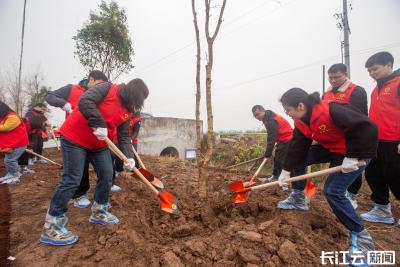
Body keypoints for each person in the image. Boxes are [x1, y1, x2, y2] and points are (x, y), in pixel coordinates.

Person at [39, 78, 149, 246]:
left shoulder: (128, 110)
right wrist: (99, 122)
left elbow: (124, 136)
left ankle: (99, 210)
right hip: (75, 137)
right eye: (135, 101)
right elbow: (85, 101)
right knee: (72, 178)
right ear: (130, 93)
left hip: (99, 144)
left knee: (107, 174)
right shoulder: (108, 89)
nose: (135, 106)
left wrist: (129, 158)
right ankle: (52, 225)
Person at [278, 88, 378, 263]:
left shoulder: (332, 110)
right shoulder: (301, 121)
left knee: (333, 191)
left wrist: (354, 155)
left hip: (356, 152)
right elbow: (297, 147)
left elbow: (367, 128)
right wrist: (286, 170)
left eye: (288, 110)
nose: (287, 114)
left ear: (300, 105)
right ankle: (298, 197)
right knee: (297, 160)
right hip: (333, 149)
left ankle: (362, 239)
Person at [45, 70, 108, 208]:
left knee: (104, 168)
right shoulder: (72, 89)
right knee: (80, 168)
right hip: (74, 137)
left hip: (95, 138)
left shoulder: (103, 94)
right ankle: (79, 194)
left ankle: (102, 194)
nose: (101, 88)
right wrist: (64, 104)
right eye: (98, 84)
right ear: (91, 80)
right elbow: (49, 96)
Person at [360, 52, 400, 225]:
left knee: (396, 176)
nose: (371, 73)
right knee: (373, 173)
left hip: (394, 141)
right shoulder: (376, 89)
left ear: (389, 65)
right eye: (369, 71)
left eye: (374, 69)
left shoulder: (398, 83)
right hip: (376, 141)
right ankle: (382, 209)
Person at [323, 63, 368, 209]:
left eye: (337, 77)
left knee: (352, 168)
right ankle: (340, 194)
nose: (333, 80)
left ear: (345, 74)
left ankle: (352, 196)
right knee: (337, 168)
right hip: (335, 139)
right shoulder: (327, 93)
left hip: (352, 138)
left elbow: (358, 119)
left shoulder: (356, 91)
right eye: (330, 77)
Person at [251, 105, 293, 182]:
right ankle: (277, 177)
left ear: (263, 111)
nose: (257, 117)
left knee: (280, 160)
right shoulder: (267, 117)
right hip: (282, 139)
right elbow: (272, 135)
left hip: (287, 139)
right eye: (255, 116)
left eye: (258, 114)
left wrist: (267, 154)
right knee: (278, 159)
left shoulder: (271, 120)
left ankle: (278, 178)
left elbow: (271, 138)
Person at [111, 111, 142, 193]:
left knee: (133, 157)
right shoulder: (124, 113)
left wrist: (131, 139)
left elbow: (136, 131)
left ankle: (136, 172)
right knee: (118, 156)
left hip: (132, 140)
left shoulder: (137, 118)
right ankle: (118, 170)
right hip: (118, 139)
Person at [0, 101, 29, 185]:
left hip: (18, 143)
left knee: (10, 160)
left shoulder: (12, 116)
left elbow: (6, 128)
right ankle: (12, 174)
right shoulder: (5, 117)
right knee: (9, 159)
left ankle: (14, 175)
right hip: (13, 143)